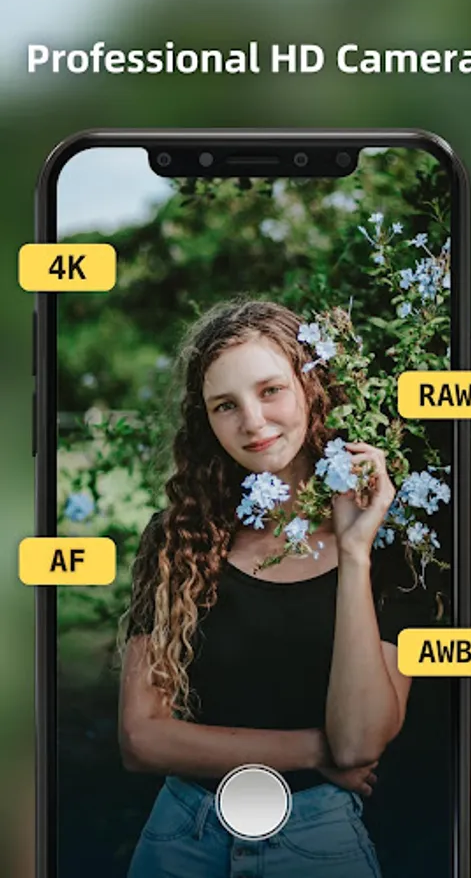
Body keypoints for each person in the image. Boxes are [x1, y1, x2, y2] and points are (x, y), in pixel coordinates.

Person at [119, 299, 421, 878]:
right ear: (206, 420)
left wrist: (354, 553)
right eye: (225, 405)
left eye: (271, 390)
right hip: (184, 832)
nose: (253, 422)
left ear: (312, 386)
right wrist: (313, 751)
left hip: (317, 836)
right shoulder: (178, 537)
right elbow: (140, 738)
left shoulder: (391, 545)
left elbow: (360, 743)